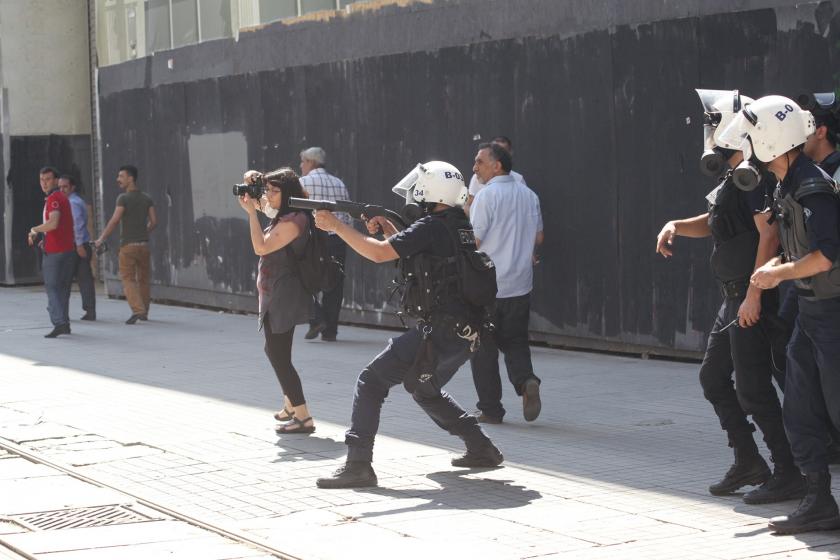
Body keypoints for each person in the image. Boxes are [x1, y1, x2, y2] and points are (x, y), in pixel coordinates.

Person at [313, 161, 503, 489]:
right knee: (423, 388)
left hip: (440, 331)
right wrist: (388, 227)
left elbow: (380, 255)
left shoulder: (432, 225)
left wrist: (337, 227)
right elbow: (420, 255)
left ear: (429, 190)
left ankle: (358, 464)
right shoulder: (456, 224)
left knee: (371, 381)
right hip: (466, 333)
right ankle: (482, 448)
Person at [656, 90, 802, 505]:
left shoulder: (754, 176)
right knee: (712, 378)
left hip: (750, 298)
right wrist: (676, 225)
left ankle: (788, 472)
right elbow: (715, 220)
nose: (709, 132)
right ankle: (749, 460)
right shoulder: (735, 174)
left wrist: (754, 294)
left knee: (754, 389)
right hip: (734, 298)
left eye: (712, 122)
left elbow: (770, 234)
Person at [725, 95, 840, 533]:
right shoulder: (786, 183)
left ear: (770, 140)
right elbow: (798, 250)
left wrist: (779, 274)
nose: (746, 146)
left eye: (752, 137)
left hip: (831, 313)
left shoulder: (811, 185)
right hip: (811, 313)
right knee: (801, 408)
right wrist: (772, 269)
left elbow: (826, 257)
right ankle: (819, 501)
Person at [468, 142, 544, 423]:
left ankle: (490, 409)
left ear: (496, 165)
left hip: (488, 285)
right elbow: (539, 238)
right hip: (520, 283)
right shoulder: (529, 195)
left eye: (479, 162)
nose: (475, 168)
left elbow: (473, 242)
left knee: (482, 346)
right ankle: (526, 381)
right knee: (515, 342)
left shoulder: (486, 196)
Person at [240, 168, 317, 435]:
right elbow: (268, 208)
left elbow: (261, 247)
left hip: (284, 294)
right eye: (268, 191)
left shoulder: (293, 220)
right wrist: (255, 182)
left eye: (274, 192)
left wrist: (251, 214)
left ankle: (303, 416)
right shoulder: (288, 213)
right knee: (278, 351)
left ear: (288, 194)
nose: (268, 197)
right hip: (278, 291)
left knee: (277, 354)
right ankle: (290, 404)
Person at [298, 147, 350, 342]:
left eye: (302, 161)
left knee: (303, 279)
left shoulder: (302, 183)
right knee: (334, 284)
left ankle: (316, 317)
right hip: (338, 238)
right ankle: (330, 332)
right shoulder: (339, 183)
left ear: (311, 162)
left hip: (313, 239)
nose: (301, 166)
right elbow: (347, 216)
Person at [94, 165, 156, 324]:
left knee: (128, 279)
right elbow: (154, 222)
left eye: (121, 176)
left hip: (128, 246)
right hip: (144, 245)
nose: (118, 179)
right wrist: (143, 232)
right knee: (143, 279)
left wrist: (101, 238)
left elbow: (115, 220)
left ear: (131, 178)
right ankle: (145, 312)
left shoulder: (123, 198)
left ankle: (138, 310)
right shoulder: (146, 198)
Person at [28, 166, 76, 338]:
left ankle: (59, 322)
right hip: (67, 249)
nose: (44, 183)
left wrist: (35, 229)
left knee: (52, 287)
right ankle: (65, 323)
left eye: (48, 179)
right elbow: (59, 227)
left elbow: (53, 223)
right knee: (62, 289)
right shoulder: (63, 198)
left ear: (56, 180)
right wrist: (45, 239)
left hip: (56, 252)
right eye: (41, 179)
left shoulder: (54, 199)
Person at [59, 175, 96, 321]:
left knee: (65, 280)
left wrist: (79, 245)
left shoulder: (72, 203)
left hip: (75, 246)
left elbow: (77, 225)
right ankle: (90, 311)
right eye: (60, 187)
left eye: (65, 187)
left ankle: (63, 313)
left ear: (72, 187)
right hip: (79, 245)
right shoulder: (73, 201)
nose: (62, 189)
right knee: (85, 279)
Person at [464, 136, 525, 216]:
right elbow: (469, 204)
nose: (475, 168)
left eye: (503, 152)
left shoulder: (519, 180)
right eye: (495, 151)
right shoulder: (530, 195)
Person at [800, 92, 840, 180]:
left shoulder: (836, 172)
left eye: (804, 128)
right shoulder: (814, 169)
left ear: (821, 132)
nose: (798, 134)